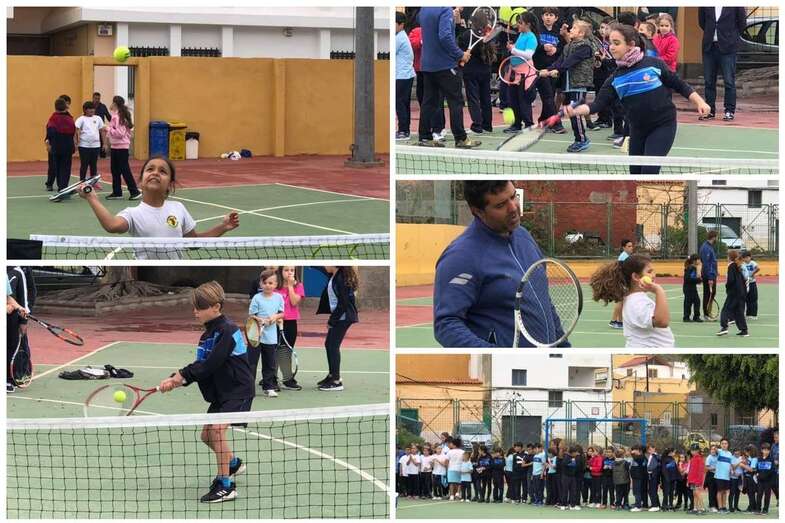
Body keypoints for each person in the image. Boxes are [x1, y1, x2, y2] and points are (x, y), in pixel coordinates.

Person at [433, 181, 569, 348]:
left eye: (513, 197)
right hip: (507, 368)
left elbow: (544, 301)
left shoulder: (524, 237)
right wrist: (498, 356)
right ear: (477, 211)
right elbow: (446, 325)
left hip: (547, 363)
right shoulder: (460, 257)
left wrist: (564, 348)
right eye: (500, 205)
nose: (513, 208)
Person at [564, 24, 711, 173]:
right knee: (634, 175)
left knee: (648, 172)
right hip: (637, 129)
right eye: (610, 43)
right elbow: (597, 105)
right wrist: (577, 110)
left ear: (631, 45)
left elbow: (679, 85)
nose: (611, 47)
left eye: (617, 43)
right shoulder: (614, 79)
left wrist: (700, 102)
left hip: (662, 125)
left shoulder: (653, 64)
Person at [157, 281, 254, 503]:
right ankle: (232, 463)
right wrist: (175, 379)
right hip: (222, 393)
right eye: (195, 307)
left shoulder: (227, 331)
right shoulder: (207, 336)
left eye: (200, 307)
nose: (195, 311)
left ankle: (225, 485)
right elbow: (200, 367)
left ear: (216, 307)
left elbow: (211, 364)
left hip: (238, 390)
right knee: (207, 435)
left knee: (217, 432)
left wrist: (182, 375)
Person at [77, 157, 239, 258]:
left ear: (170, 183)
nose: (155, 173)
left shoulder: (178, 208)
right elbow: (112, 225)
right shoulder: (133, 213)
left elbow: (193, 242)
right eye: (150, 169)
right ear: (141, 181)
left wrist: (223, 227)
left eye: (162, 171)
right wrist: (92, 198)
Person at [416, 7, 479, 149]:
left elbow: (424, 22)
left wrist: (452, 17)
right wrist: (460, 54)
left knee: (429, 102)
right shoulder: (445, 10)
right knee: (455, 102)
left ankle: (425, 137)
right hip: (445, 65)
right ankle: (461, 138)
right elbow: (444, 36)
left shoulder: (424, 10)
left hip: (427, 65)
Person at [590, 254, 675, 348]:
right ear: (636, 277)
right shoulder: (636, 302)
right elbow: (662, 322)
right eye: (649, 272)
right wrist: (659, 291)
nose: (653, 275)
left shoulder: (635, 298)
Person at [540, 19, 596, 153]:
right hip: (568, 85)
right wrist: (547, 70)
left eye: (574, 28)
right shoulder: (567, 46)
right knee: (571, 113)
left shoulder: (585, 46)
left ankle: (582, 140)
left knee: (575, 113)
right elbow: (560, 61)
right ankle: (579, 139)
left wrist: (558, 70)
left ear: (581, 33)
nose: (571, 30)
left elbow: (572, 61)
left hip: (579, 84)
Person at [314, 266, 359, 391]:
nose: (325, 265)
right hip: (339, 315)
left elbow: (343, 303)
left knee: (333, 346)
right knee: (329, 344)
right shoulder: (334, 275)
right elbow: (321, 269)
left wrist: (332, 320)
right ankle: (332, 375)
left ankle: (336, 381)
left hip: (343, 316)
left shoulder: (342, 278)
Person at [698, 7, 746, 121]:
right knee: (709, 81)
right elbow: (702, 22)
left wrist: (730, 36)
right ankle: (709, 111)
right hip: (709, 46)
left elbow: (742, 23)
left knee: (729, 81)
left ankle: (729, 111)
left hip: (728, 47)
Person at [248, 269, 285, 397]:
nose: (268, 285)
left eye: (271, 283)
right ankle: (248, 388)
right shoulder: (256, 298)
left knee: (270, 363)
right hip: (255, 336)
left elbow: (282, 313)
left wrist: (275, 317)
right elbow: (251, 315)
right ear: (260, 284)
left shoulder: (279, 297)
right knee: (251, 362)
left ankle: (268, 387)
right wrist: (260, 320)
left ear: (275, 284)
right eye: (265, 283)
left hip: (271, 337)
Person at [503, 11, 540, 134]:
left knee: (523, 100)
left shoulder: (531, 37)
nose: (518, 25)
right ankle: (516, 124)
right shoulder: (521, 35)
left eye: (520, 23)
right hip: (514, 73)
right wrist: (513, 47)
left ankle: (529, 124)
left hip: (525, 73)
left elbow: (528, 55)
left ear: (528, 24)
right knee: (513, 99)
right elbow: (519, 50)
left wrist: (513, 49)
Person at [104, 95, 141, 200]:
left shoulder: (119, 117)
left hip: (121, 147)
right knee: (115, 170)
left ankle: (134, 191)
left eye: (112, 102)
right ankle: (117, 192)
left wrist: (107, 128)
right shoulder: (116, 115)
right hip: (116, 147)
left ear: (115, 104)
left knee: (124, 169)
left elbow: (120, 133)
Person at [532, 8, 564, 133]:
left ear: (556, 18)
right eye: (546, 15)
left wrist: (556, 50)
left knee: (550, 95)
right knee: (548, 96)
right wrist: (542, 47)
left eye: (551, 15)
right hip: (540, 69)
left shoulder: (558, 33)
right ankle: (556, 124)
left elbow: (563, 49)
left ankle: (542, 120)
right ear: (542, 17)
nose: (548, 17)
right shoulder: (537, 31)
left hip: (553, 69)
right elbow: (532, 46)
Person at [274, 266, 304, 391]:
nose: (289, 272)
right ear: (281, 272)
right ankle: (271, 378)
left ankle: (287, 380)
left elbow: (294, 302)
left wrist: (291, 286)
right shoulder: (274, 286)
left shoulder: (299, 286)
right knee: (274, 350)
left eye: (292, 270)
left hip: (290, 323)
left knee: (287, 350)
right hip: (275, 322)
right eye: (286, 270)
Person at [6, 267, 34, 393]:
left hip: (10, 321)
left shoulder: (14, 273)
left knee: (10, 347)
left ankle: (8, 378)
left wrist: (19, 307)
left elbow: (8, 297)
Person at [45, 97, 76, 195]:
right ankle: (63, 187)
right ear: (65, 107)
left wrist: (49, 143)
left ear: (55, 107)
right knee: (66, 168)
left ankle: (61, 187)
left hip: (56, 146)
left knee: (57, 167)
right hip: (67, 146)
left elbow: (50, 131)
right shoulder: (70, 118)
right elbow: (73, 131)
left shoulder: (53, 118)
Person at [395, 11, 416, 141]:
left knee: (400, 103)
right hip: (404, 75)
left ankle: (403, 130)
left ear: (401, 25)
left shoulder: (399, 38)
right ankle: (404, 129)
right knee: (403, 103)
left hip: (402, 76)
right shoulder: (401, 36)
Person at [717, 250, 748, 337]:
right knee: (738, 312)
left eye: (728, 256)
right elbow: (743, 280)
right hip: (741, 292)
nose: (727, 257)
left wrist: (727, 287)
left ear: (730, 257)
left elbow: (731, 280)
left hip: (734, 292)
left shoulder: (731, 266)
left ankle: (724, 328)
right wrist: (744, 292)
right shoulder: (739, 266)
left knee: (726, 309)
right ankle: (744, 330)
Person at [74, 101, 105, 182]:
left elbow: (102, 131)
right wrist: (76, 141)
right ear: (85, 110)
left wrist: (104, 143)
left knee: (93, 165)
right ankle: (82, 181)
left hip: (96, 145)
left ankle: (93, 182)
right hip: (84, 146)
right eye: (90, 109)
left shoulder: (98, 118)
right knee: (84, 164)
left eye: (93, 109)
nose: (92, 110)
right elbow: (76, 129)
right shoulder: (81, 119)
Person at [610, 239, 634, 329]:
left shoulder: (625, 256)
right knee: (620, 302)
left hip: (621, 281)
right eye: (629, 246)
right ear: (624, 248)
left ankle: (616, 321)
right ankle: (617, 322)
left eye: (631, 246)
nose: (631, 248)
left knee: (621, 302)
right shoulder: (624, 257)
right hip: (621, 282)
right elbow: (622, 272)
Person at [699, 230, 719, 320]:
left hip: (712, 274)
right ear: (714, 237)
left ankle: (708, 312)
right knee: (708, 294)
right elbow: (707, 264)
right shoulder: (706, 248)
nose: (717, 239)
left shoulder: (710, 247)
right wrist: (710, 277)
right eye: (717, 237)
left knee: (712, 293)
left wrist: (715, 271)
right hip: (708, 275)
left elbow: (712, 262)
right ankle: (706, 314)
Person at [756, 442, 775, 515]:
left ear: (769, 451)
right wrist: (758, 475)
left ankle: (765, 509)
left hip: (768, 481)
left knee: (767, 495)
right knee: (759, 495)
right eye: (764, 450)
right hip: (760, 481)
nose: (766, 451)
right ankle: (758, 509)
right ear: (761, 450)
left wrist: (768, 478)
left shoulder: (771, 459)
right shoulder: (759, 459)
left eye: (767, 450)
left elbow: (772, 470)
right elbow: (757, 469)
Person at [682, 254, 703, 322]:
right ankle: (686, 317)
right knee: (688, 303)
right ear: (694, 261)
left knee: (697, 301)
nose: (699, 261)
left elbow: (696, 278)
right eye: (698, 259)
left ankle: (696, 317)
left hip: (692, 288)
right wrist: (698, 280)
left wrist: (699, 279)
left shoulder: (694, 268)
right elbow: (688, 279)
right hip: (688, 288)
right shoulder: (690, 268)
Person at [92, 92, 112, 158]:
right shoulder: (89, 106)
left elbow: (108, 117)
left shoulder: (103, 106)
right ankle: (93, 156)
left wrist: (114, 123)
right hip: (92, 128)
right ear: (93, 98)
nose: (97, 100)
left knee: (102, 142)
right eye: (96, 98)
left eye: (98, 98)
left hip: (101, 128)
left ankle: (103, 156)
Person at [687, 445, 706, 514]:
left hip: (697, 480)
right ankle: (695, 508)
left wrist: (699, 481)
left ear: (698, 450)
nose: (692, 451)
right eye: (692, 450)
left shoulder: (699, 459)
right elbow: (690, 470)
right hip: (692, 480)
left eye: (694, 450)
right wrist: (688, 480)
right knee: (694, 494)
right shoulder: (692, 459)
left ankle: (702, 508)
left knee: (698, 493)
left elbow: (701, 471)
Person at [741, 251, 759, 320]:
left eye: (747, 258)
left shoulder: (753, 263)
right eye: (744, 258)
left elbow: (758, 268)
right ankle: (748, 314)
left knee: (753, 299)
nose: (746, 259)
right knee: (746, 299)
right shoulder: (743, 264)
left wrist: (752, 274)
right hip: (745, 283)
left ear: (750, 257)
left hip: (752, 283)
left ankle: (754, 314)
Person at [629, 444, 646, 511]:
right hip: (635, 477)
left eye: (634, 450)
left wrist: (632, 454)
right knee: (635, 491)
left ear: (639, 451)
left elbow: (637, 459)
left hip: (638, 477)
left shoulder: (641, 457)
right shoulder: (638, 456)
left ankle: (638, 506)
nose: (633, 451)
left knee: (637, 491)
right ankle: (637, 503)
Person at [646, 444, 661, 511]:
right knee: (651, 490)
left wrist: (649, 469)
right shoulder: (651, 456)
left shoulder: (656, 456)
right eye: (649, 449)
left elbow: (654, 466)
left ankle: (655, 505)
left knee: (652, 490)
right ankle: (656, 504)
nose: (650, 450)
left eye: (651, 449)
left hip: (654, 476)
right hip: (651, 475)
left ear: (654, 448)